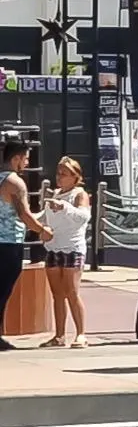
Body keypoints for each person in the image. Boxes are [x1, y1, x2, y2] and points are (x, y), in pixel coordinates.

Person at [0, 141, 53, 351]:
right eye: (26, 158)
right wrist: (42, 230)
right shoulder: (15, 183)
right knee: (3, 290)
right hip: (9, 242)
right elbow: (24, 214)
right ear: (16, 159)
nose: (27, 162)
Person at [39, 157, 91, 349]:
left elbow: (83, 218)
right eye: (58, 173)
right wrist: (28, 220)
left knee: (72, 291)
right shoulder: (56, 194)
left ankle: (81, 334)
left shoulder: (80, 194)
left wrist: (65, 208)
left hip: (73, 247)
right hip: (53, 246)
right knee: (57, 293)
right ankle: (59, 335)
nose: (59, 177)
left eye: (64, 174)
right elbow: (44, 218)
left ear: (75, 177)